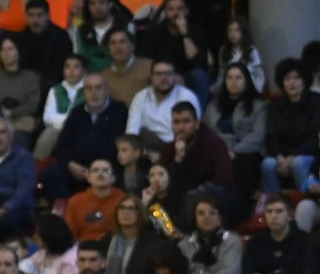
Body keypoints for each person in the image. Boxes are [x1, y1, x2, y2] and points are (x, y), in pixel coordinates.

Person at [48, 73, 129, 201]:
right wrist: (71, 164)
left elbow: (124, 145)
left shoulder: (120, 111)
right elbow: (61, 145)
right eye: (89, 88)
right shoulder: (77, 113)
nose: (94, 93)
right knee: (51, 176)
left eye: (98, 88)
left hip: (108, 169)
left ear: (106, 90)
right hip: (78, 169)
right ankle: (73, 209)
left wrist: (98, 170)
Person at [205, 62, 267, 203]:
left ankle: (239, 206)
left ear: (247, 80)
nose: (233, 82)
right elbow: (206, 131)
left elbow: (258, 135)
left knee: (242, 165)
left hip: (247, 150)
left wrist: (234, 151)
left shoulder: (259, 104)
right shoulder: (213, 105)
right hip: (218, 149)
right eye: (229, 78)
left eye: (238, 78)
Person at [262, 58, 320, 196]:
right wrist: (279, 157)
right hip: (283, 156)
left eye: (297, 78)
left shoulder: (316, 101)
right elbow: (271, 135)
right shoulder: (274, 106)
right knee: (268, 163)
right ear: (282, 82)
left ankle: (306, 201)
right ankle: (275, 205)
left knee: (298, 163)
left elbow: (314, 136)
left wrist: (293, 157)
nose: (292, 83)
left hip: (309, 154)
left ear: (305, 81)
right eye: (287, 78)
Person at [127, 60, 198, 153]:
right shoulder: (140, 97)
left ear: (175, 76)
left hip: (175, 148)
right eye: (158, 74)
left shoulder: (187, 97)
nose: (163, 78)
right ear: (151, 77)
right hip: (145, 149)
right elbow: (132, 131)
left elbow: (192, 133)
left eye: (168, 73)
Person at [0, 37, 40, 148]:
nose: (6, 53)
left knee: (17, 140)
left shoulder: (30, 77)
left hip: (22, 121)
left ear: (19, 52)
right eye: (2, 49)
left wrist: (12, 112)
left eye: (10, 49)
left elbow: (33, 104)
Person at [15, 0, 76, 87]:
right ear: (26, 17)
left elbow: (62, 68)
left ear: (48, 15)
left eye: (39, 15)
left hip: (54, 83)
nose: (35, 20)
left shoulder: (60, 36)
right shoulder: (20, 38)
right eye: (31, 16)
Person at [36, 56, 87, 160]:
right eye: (67, 67)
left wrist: (64, 120)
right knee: (48, 134)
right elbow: (48, 118)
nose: (71, 71)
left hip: (82, 129)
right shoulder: (55, 90)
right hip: (58, 129)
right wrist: (71, 120)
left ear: (83, 71)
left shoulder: (89, 89)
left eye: (76, 67)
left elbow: (87, 117)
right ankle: (36, 167)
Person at [72, 0, 130, 74]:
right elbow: (80, 57)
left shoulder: (125, 26)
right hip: (90, 79)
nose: (97, 7)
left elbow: (129, 55)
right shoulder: (81, 30)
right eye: (92, 3)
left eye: (101, 2)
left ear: (110, 4)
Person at [65, 159, 121, 243]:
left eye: (105, 170)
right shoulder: (76, 201)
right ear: (88, 177)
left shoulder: (123, 199)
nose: (100, 174)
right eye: (95, 170)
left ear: (113, 178)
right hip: (83, 248)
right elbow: (70, 233)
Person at [218, 17, 265, 92]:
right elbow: (221, 74)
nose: (232, 34)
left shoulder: (251, 50)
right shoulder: (224, 50)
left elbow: (258, 75)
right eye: (230, 30)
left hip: (248, 90)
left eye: (237, 30)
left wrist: (256, 92)